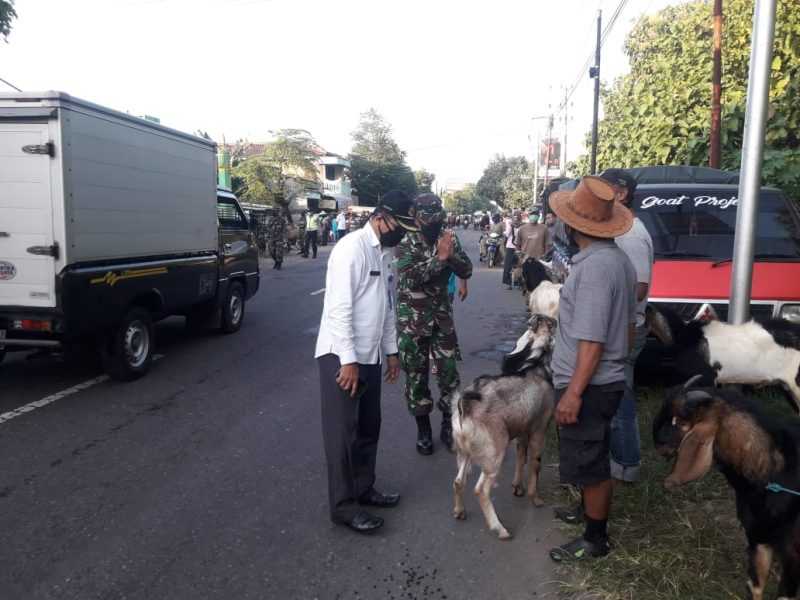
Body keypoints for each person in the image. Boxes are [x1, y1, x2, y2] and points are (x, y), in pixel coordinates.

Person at [315, 190, 419, 534]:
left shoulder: (386, 255)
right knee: (343, 434)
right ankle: (343, 507)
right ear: (380, 217)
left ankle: (364, 488)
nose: (402, 233)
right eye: (399, 225)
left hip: (370, 356)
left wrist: (391, 352)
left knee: (368, 427)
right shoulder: (351, 249)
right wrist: (348, 360)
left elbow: (386, 306)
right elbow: (339, 309)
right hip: (342, 357)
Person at [547, 176, 636, 562]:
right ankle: (586, 513)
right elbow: (627, 329)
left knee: (592, 461)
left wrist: (574, 392)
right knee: (588, 457)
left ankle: (594, 539)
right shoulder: (615, 260)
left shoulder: (597, 268)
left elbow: (593, 341)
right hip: (602, 379)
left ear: (573, 226)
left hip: (591, 384)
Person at [396, 193, 473, 455]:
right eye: (426, 217)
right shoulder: (405, 242)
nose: (431, 223)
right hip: (412, 322)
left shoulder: (449, 239)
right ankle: (423, 430)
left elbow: (467, 270)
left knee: (449, 376)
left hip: (441, 320)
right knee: (416, 378)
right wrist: (439, 259)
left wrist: (450, 256)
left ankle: (447, 425)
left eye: (435, 216)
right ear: (416, 218)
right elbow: (409, 279)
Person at [601, 169, 654, 484]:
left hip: (624, 329)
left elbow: (640, 287)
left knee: (620, 399)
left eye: (603, 190)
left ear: (620, 194)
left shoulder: (631, 232)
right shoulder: (621, 229)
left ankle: (626, 464)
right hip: (617, 326)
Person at [502, 211, 519, 290]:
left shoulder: (510, 224)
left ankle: (509, 283)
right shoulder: (523, 225)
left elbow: (507, 234)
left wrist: (504, 233)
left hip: (510, 247)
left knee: (508, 266)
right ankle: (518, 283)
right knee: (518, 265)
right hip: (519, 247)